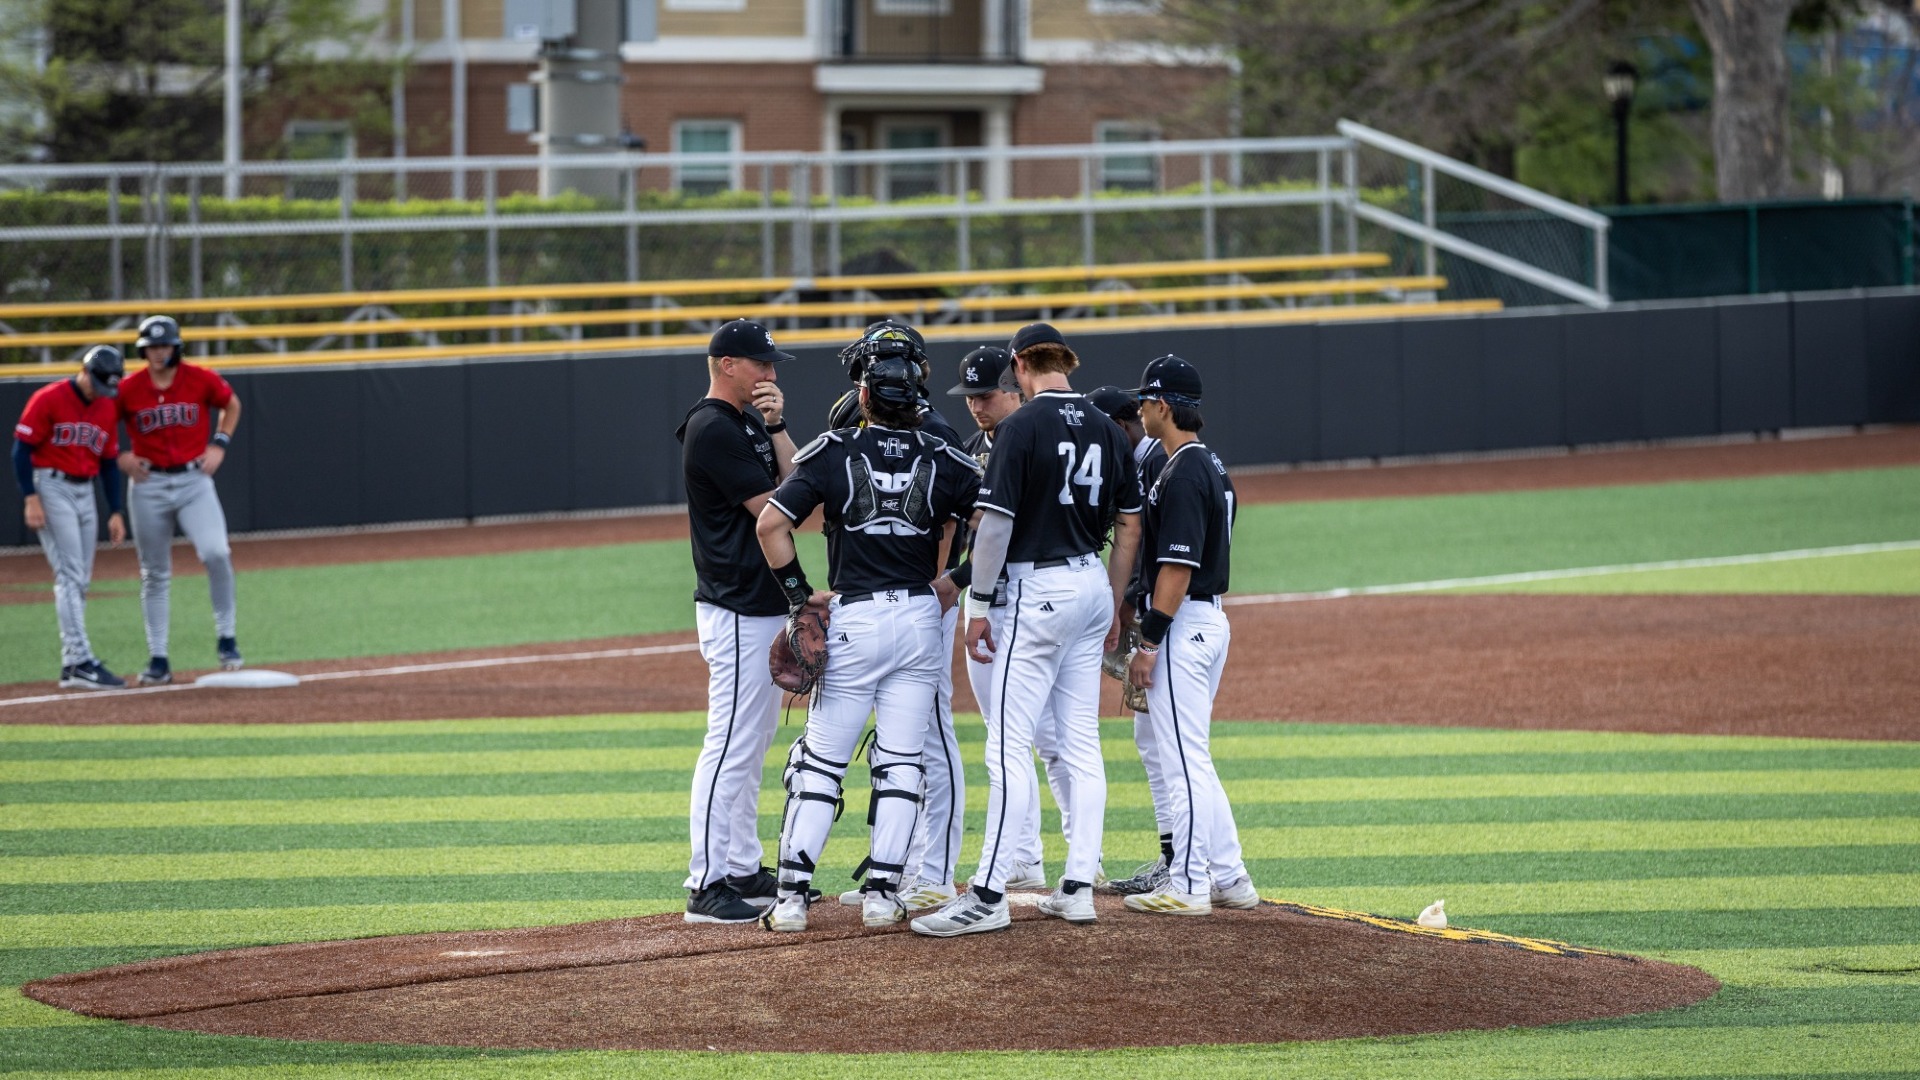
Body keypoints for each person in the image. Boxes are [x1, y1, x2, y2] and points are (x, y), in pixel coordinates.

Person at [912, 323, 1141, 937]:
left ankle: (987, 893)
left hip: (1036, 591)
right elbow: (1131, 527)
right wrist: (1114, 602)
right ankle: (1077, 886)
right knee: (1080, 742)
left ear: (1019, 366)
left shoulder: (1019, 427)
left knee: (1007, 742)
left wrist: (978, 602)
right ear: (1063, 362)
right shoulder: (1103, 423)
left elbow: (994, 528)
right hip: (1091, 580)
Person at [755, 352, 982, 931]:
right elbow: (994, 525)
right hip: (918, 618)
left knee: (820, 763)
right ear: (917, 402)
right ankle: (883, 895)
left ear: (863, 398)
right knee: (903, 761)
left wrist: (799, 596)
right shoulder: (947, 457)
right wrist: (954, 581)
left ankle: (789, 900)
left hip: (855, 618)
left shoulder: (832, 450)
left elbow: (771, 526)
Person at [827, 323, 989, 915]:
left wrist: (953, 582)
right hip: (881, 600)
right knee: (898, 742)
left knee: (930, 733)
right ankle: (898, 867)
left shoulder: (934, 429)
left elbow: (972, 519)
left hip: (924, 599)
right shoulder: (856, 415)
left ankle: (937, 872)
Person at [1117, 355, 1259, 916]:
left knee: (1183, 761)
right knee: (1192, 756)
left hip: (1183, 623)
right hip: (1203, 621)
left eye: (1148, 402)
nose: (1143, 411)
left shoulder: (1184, 471)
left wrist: (1148, 642)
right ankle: (1230, 877)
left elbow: (1177, 568)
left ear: (1166, 407)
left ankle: (1189, 884)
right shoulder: (1209, 466)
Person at [674, 319, 800, 924]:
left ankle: (744, 866)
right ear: (727, 364)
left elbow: (800, 493)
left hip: (758, 603)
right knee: (727, 744)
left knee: (750, 745)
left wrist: (776, 426)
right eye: (761, 364)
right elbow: (782, 508)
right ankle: (705, 882)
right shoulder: (711, 427)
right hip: (734, 608)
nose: (771, 373)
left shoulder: (748, 421)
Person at [116, 315, 245, 684]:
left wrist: (219, 444)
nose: (158, 352)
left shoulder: (199, 378)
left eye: (164, 345)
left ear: (176, 347)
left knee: (216, 553)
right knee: (154, 573)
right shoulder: (129, 388)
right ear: (143, 349)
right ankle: (158, 658)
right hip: (148, 483)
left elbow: (231, 404)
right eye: (152, 346)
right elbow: (102, 426)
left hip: (193, 479)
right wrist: (119, 457)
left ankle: (227, 637)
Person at [1086, 385, 1177, 897]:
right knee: (1152, 739)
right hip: (1150, 614)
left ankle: (1184, 859)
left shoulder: (1150, 465)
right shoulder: (1144, 462)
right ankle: (1173, 854)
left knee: (1169, 743)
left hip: (1163, 621)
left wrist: (1133, 616)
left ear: (1124, 425)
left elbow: (1151, 551)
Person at [12, 345, 129, 689]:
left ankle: (72, 662)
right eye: (96, 381)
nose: (99, 389)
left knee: (81, 578)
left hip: (85, 490)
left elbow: (108, 462)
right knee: (70, 575)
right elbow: (21, 450)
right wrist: (31, 498)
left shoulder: (106, 405)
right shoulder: (49, 398)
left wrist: (116, 510)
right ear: (84, 371)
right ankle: (80, 660)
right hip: (51, 485)